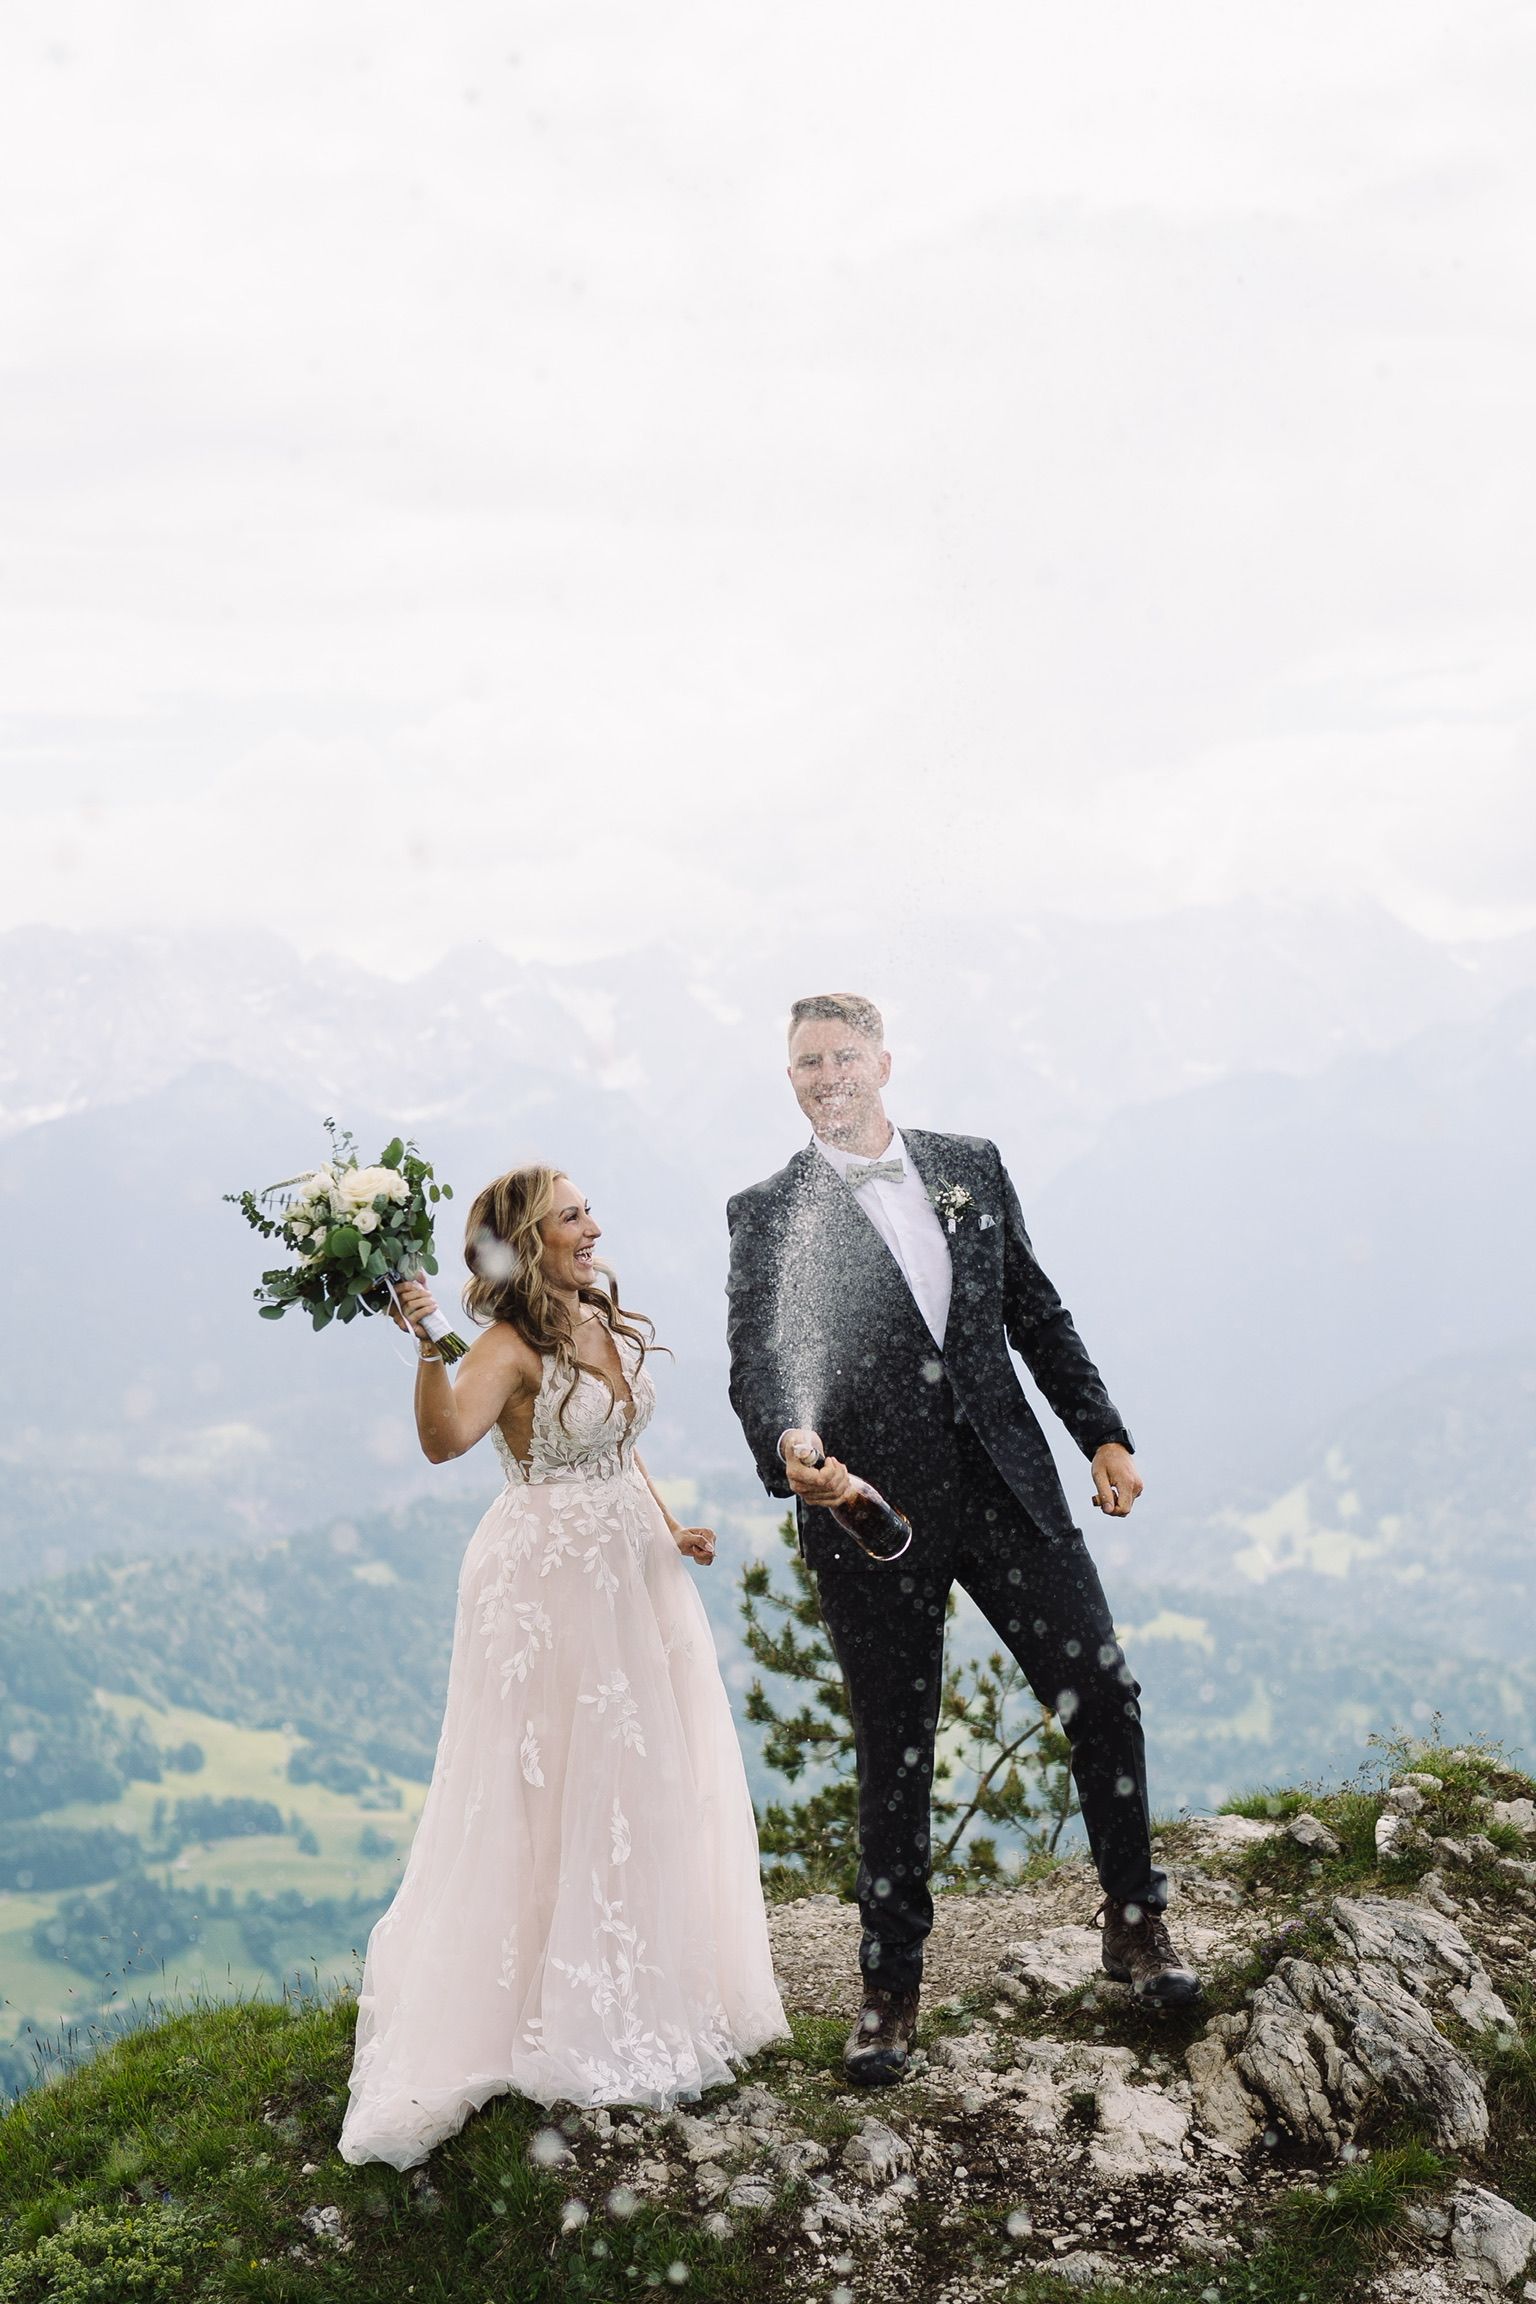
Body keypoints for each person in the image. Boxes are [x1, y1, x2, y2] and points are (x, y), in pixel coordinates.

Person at [725, 994, 1198, 2088]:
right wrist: (789, 1447)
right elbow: (757, 1366)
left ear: (885, 1062)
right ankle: (888, 1994)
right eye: (808, 1063)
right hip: (868, 1515)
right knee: (894, 1748)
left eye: (844, 1055)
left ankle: (1136, 1926)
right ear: (789, 1080)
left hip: (1007, 1489)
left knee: (1101, 1690)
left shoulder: (969, 1167)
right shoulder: (767, 1213)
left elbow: (1036, 1311)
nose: (828, 1075)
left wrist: (1103, 1433)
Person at [339, 1163, 787, 2169]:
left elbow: (615, 1440)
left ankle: (645, 1982)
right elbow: (445, 1440)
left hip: (633, 1571)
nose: (593, 1228)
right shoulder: (505, 1347)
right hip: (548, 1583)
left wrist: (670, 1525)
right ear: (525, 1242)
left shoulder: (598, 1318)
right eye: (571, 1217)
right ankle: (544, 1999)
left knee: (645, 1779)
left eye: (588, 1212)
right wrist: (425, 1341)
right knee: (551, 1789)